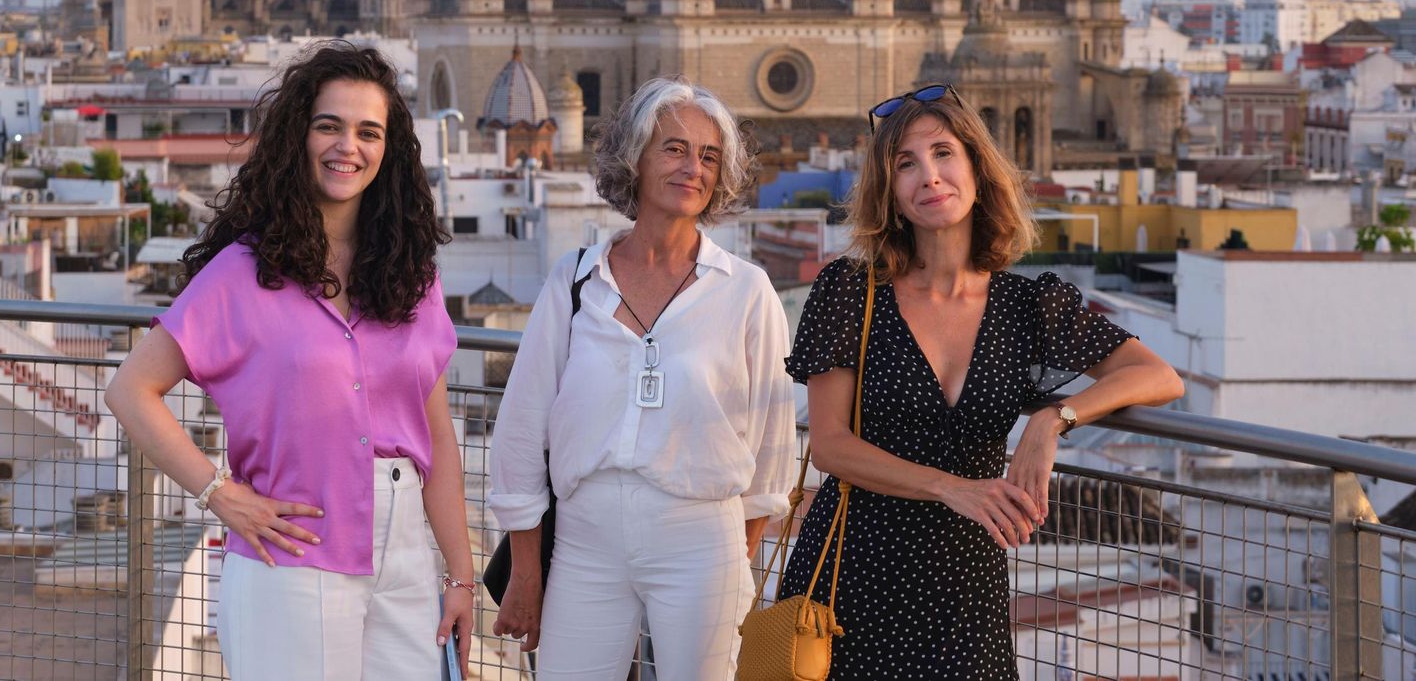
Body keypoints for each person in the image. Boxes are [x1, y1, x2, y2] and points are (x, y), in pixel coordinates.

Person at [779, 84, 1183, 679]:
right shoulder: (849, 290)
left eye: (944, 153)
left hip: (966, 588)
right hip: (854, 577)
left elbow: (1156, 375)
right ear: (889, 191)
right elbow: (832, 446)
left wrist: (1052, 420)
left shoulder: (1028, 305)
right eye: (905, 164)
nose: (929, 177)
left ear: (976, 168)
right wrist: (952, 487)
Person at [104, 43, 474, 680]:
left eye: (368, 131)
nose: (346, 146)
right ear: (299, 135)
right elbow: (131, 390)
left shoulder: (411, 275)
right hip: (293, 560)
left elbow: (435, 437)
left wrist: (462, 577)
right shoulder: (244, 273)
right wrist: (222, 496)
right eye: (328, 125)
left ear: (389, 151)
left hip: (407, 559)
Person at [488, 77, 798, 680]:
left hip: (701, 542)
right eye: (674, 148)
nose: (694, 168)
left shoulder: (746, 290)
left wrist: (732, 562)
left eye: (709, 156)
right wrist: (527, 574)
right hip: (583, 540)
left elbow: (771, 453)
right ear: (635, 156)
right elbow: (523, 429)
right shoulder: (575, 281)